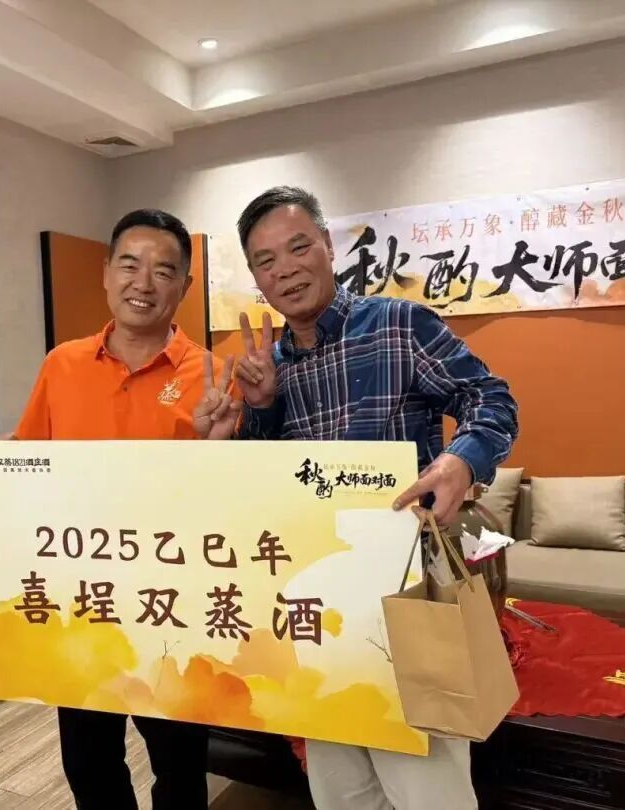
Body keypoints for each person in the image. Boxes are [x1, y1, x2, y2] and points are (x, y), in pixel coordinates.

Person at [195, 186, 518, 810]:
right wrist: (260, 411)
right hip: (316, 602)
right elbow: (267, 487)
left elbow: (491, 397)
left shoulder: (398, 325)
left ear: (328, 245)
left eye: (298, 247)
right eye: (265, 261)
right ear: (256, 278)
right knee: (340, 788)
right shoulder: (270, 367)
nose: (285, 269)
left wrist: (462, 458)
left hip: (408, 592)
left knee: (428, 785)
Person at [0, 208, 237, 810]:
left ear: (185, 286)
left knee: (180, 768)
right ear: (106, 273)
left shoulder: (214, 375)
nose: (144, 283)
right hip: (81, 603)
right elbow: (24, 459)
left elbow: (236, 501)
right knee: (88, 764)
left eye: (164, 270)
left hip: (174, 606)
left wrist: (218, 449)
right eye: (130, 265)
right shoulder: (61, 364)